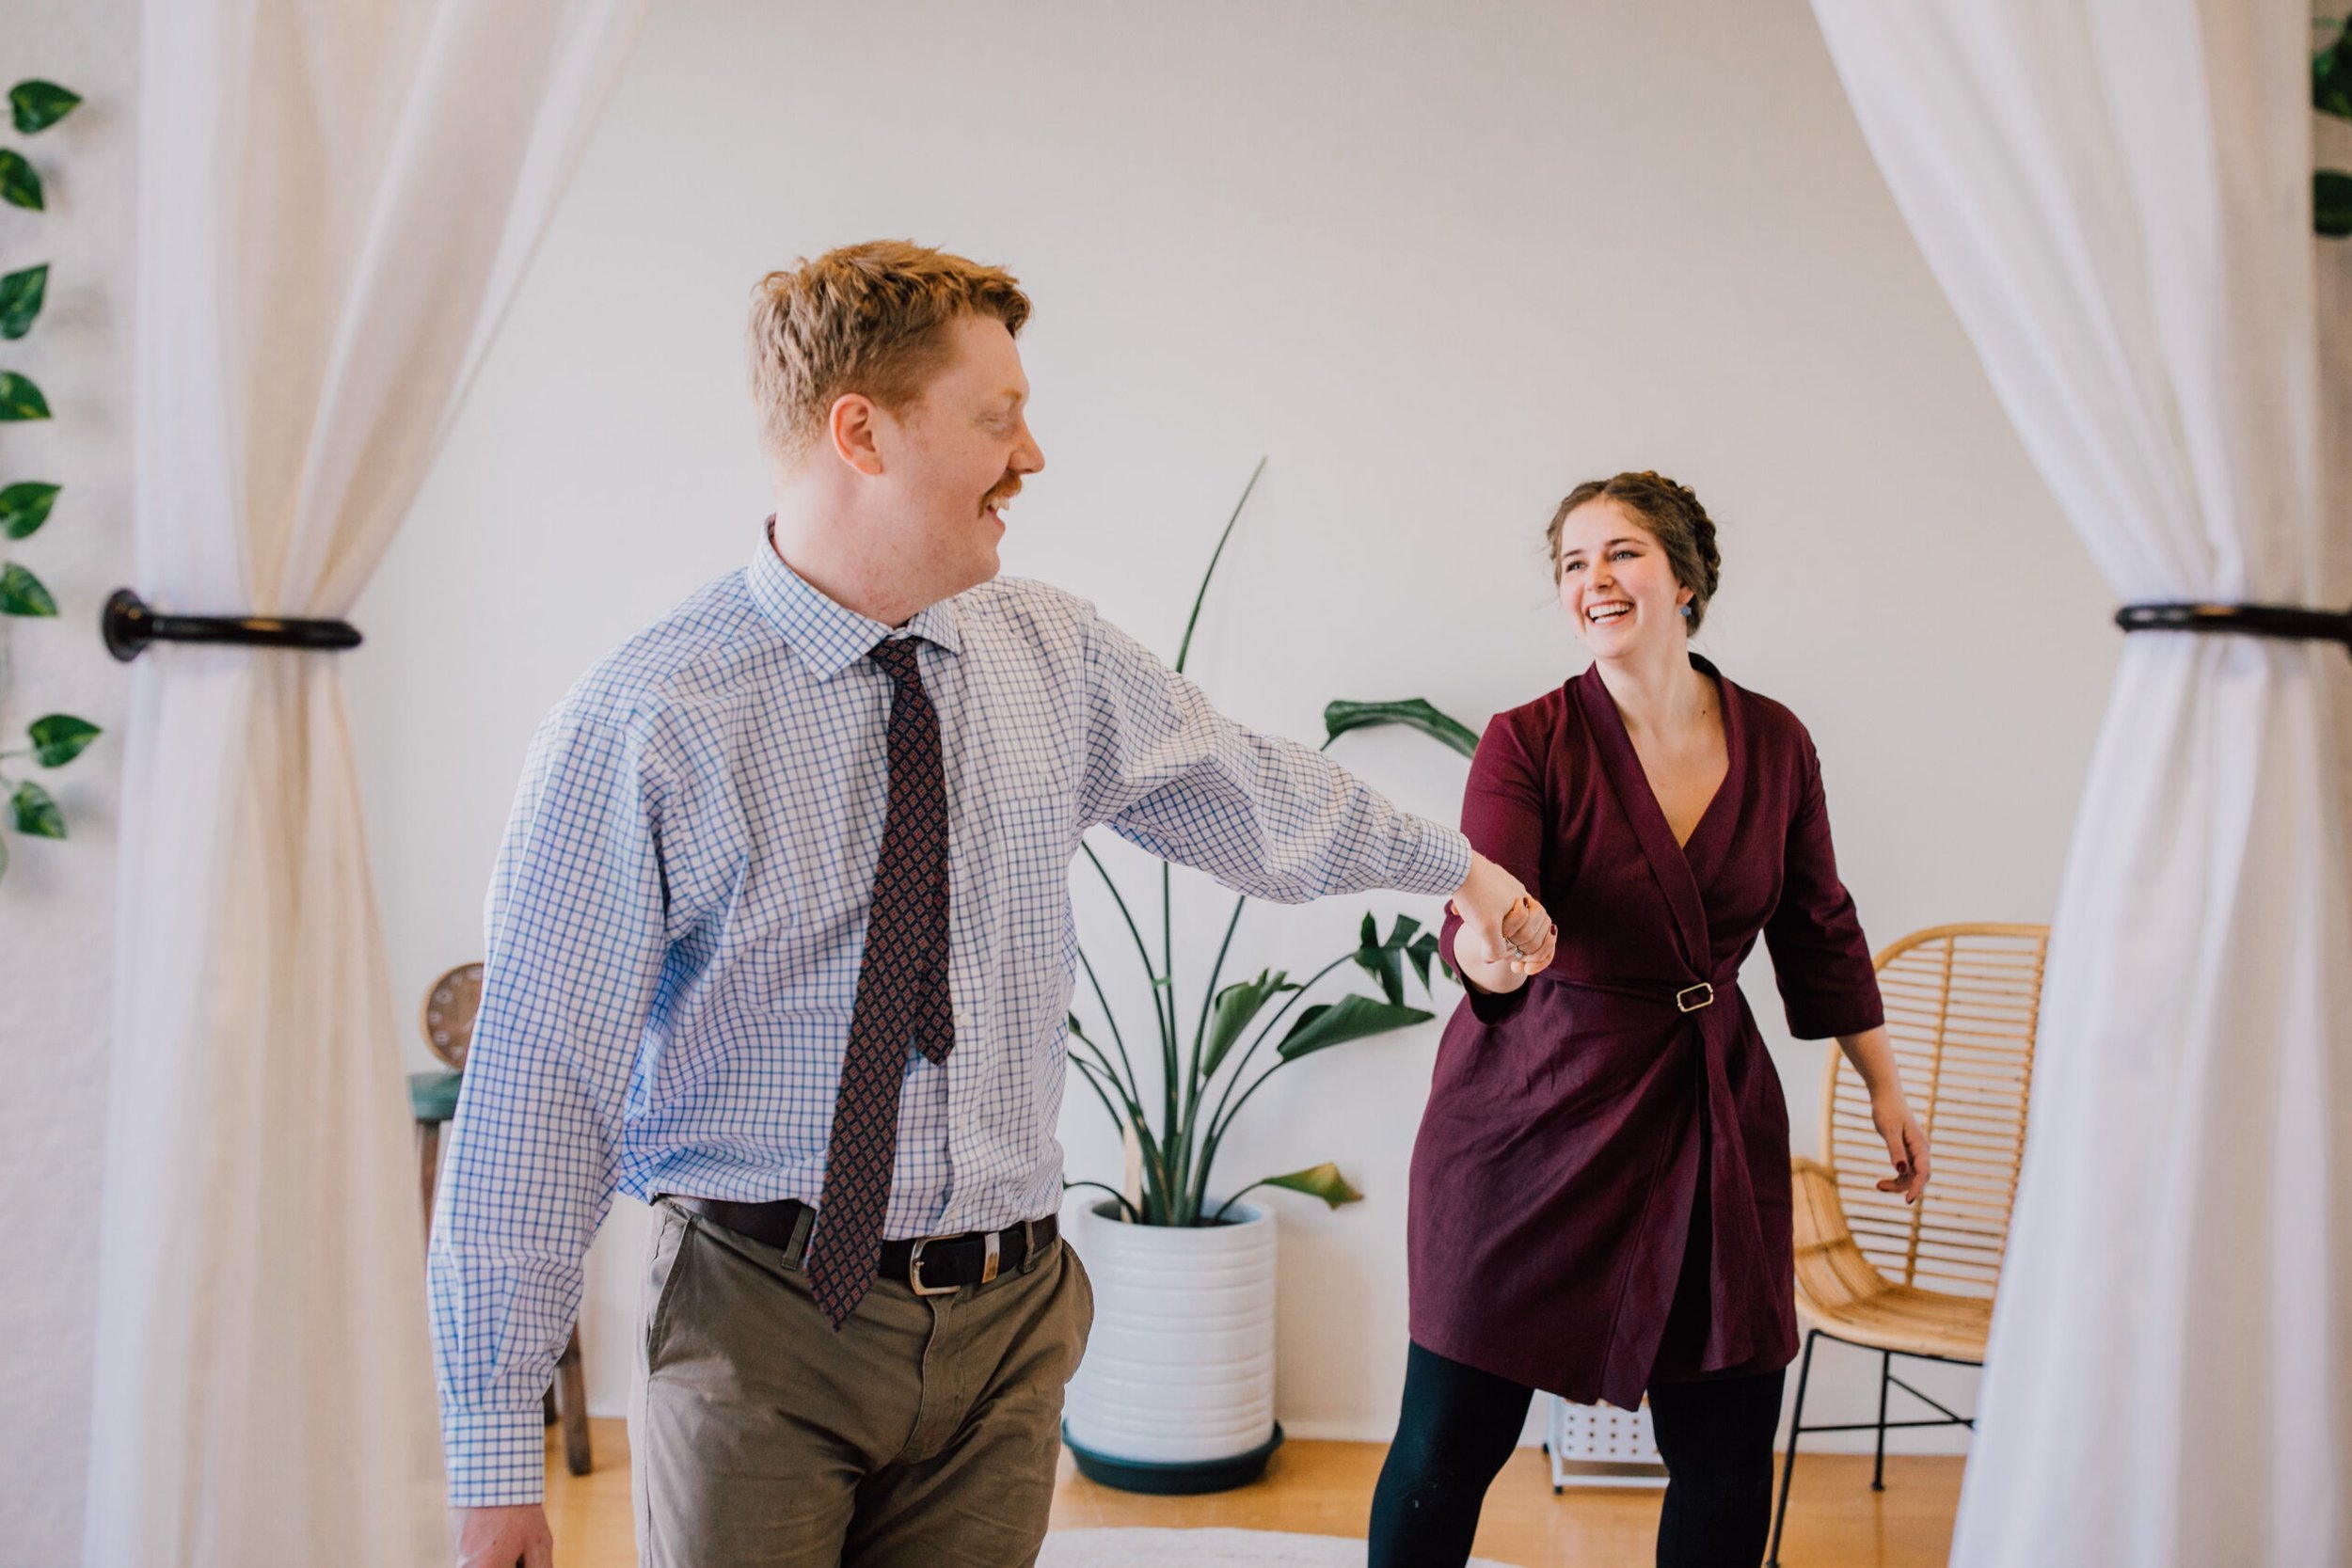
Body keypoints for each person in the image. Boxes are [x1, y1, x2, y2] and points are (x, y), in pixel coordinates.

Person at [428, 240, 1552, 1568]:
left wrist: (1464, 872)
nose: (1032, 456)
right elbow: (537, 1091)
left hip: (1009, 1320)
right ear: (862, 431)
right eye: (997, 415)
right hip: (760, 1326)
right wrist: (495, 1449)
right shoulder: (645, 720)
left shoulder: (1053, 654)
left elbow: (1252, 794)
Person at [1366, 472, 1932, 1568]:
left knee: (1726, 1445)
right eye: (1572, 564)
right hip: (1528, 1116)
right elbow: (1487, 899)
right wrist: (1490, 945)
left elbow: (1818, 919)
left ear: (1686, 578)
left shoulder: (1775, 742)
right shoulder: (1526, 740)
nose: (1593, 581)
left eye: (1619, 553)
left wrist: (1882, 1083)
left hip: (1713, 1118)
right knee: (1449, 1439)